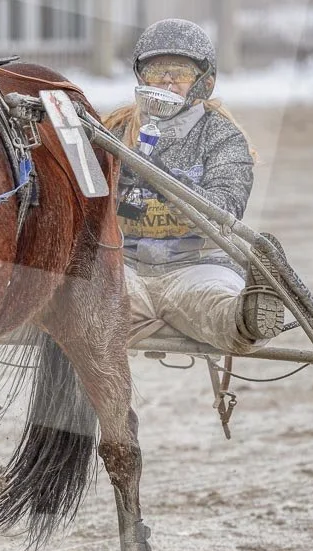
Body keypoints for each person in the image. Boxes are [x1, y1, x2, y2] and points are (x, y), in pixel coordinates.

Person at [103, 19, 267, 353]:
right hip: (126, 266)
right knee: (89, 302)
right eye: (156, 71)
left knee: (217, 306)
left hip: (198, 268)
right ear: (141, 77)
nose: (167, 81)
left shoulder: (223, 136)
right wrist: (122, 190)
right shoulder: (115, 132)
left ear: (204, 83)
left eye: (179, 72)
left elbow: (226, 208)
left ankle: (248, 317)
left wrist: (166, 180)